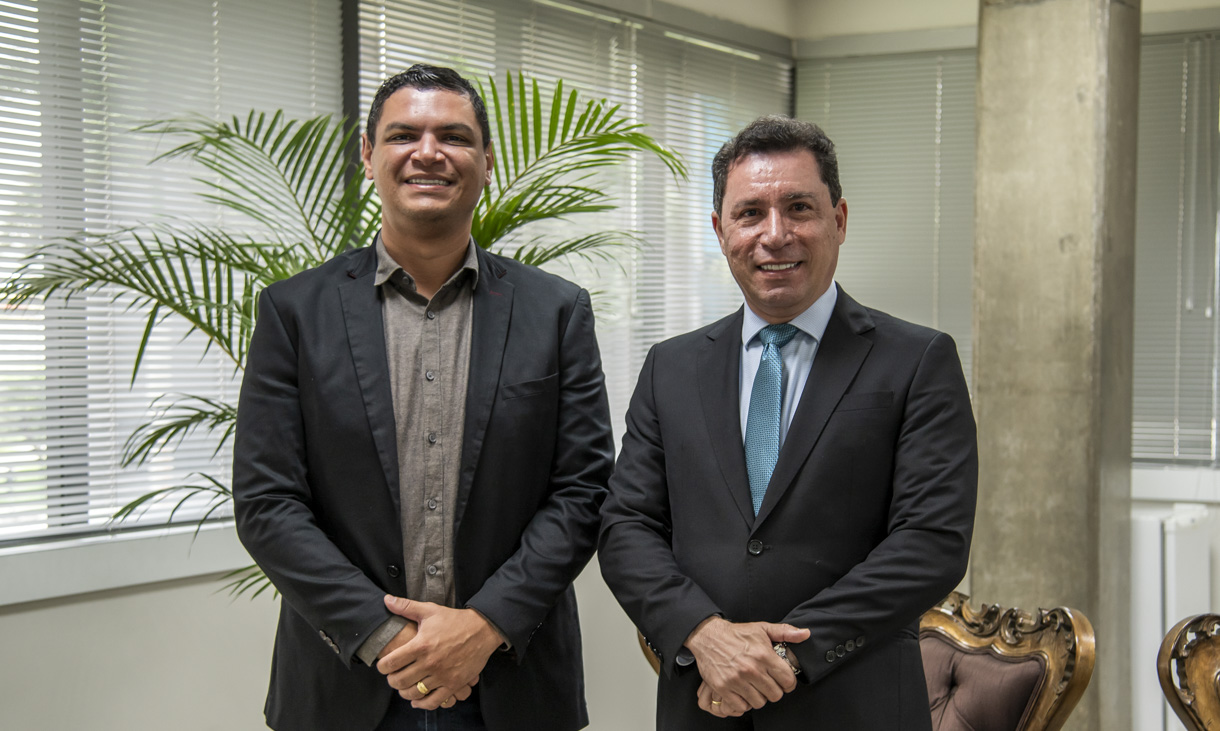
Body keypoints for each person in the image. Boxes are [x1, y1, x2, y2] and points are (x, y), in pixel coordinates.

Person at [233, 64, 614, 731]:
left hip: (510, 683)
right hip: (347, 683)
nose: (429, 152)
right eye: (404, 134)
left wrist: (483, 625)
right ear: (369, 155)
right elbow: (268, 503)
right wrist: (389, 637)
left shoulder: (556, 313)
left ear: (488, 161)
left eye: (455, 136)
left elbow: (581, 491)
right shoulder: (294, 311)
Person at [598, 115, 978, 730]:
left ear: (840, 220)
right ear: (721, 231)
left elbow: (930, 543)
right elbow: (626, 525)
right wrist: (703, 632)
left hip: (856, 706)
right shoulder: (671, 367)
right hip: (702, 705)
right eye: (750, 213)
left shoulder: (916, 360)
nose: (775, 235)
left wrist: (784, 657)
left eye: (798, 207)